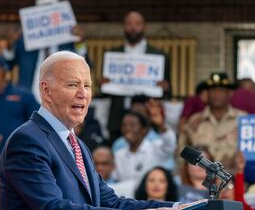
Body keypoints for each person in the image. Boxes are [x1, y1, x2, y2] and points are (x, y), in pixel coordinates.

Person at [0, 51, 186, 210]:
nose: (83, 94)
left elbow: (110, 201)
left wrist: (175, 209)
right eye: (73, 84)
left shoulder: (77, 145)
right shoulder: (28, 140)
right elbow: (52, 209)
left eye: (87, 85)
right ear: (46, 90)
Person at [2, 0, 88, 101]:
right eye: (43, 9)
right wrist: (9, 46)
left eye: (51, 9)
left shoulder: (68, 41)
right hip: (30, 103)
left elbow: (85, 65)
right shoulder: (24, 42)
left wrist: (80, 43)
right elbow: (6, 65)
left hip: (61, 102)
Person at [103, 11, 171, 143]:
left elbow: (167, 92)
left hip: (147, 117)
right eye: (129, 24)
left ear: (144, 26)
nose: (133, 27)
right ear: (123, 26)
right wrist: (102, 84)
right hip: (117, 118)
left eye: (137, 24)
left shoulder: (159, 56)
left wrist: (165, 87)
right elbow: (103, 93)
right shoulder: (112, 55)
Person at [178, 72, 246, 171]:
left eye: (221, 91)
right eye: (213, 91)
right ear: (207, 94)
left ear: (229, 93)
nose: (217, 95)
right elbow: (182, 152)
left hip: (234, 178)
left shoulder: (243, 119)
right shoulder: (194, 121)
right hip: (202, 180)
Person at [113, 110, 176, 183]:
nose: (127, 129)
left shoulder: (155, 148)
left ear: (144, 130)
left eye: (132, 125)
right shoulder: (119, 154)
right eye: (124, 125)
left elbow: (170, 145)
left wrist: (161, 126)